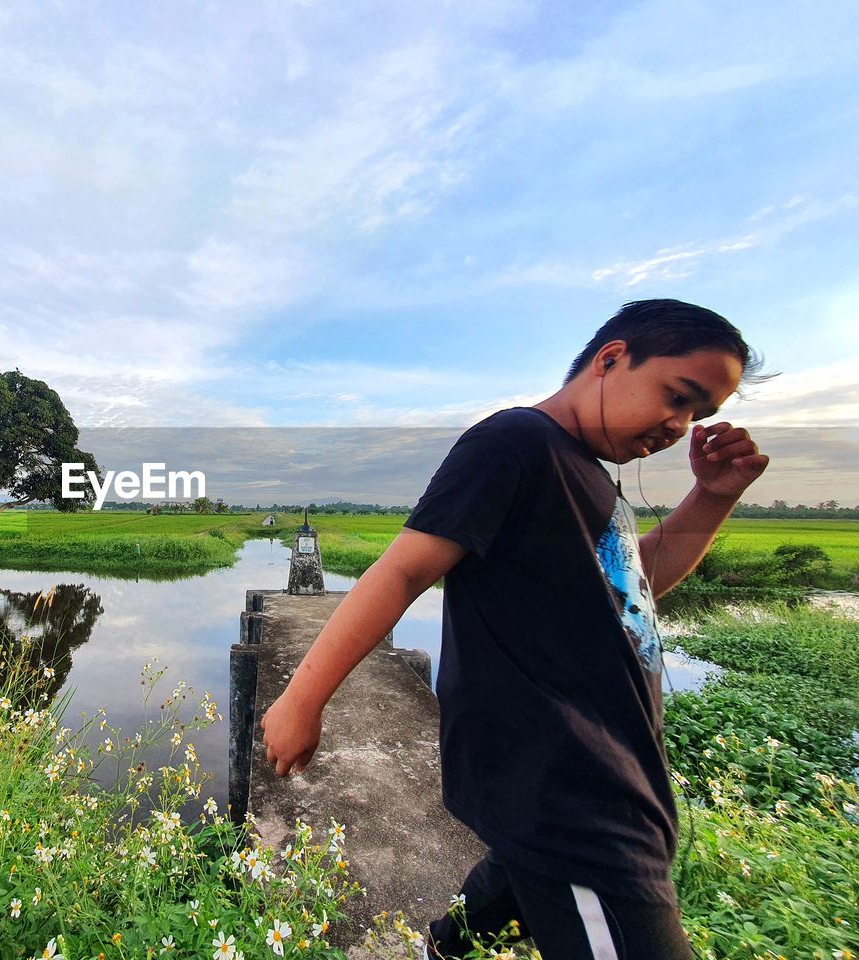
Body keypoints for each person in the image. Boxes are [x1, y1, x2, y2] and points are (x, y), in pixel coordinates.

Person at [259, 300, 770, 960]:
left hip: (600, 771)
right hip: (572, 792)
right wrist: (303, 698)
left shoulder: (589, 476)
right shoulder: (515, 444)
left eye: (699, 412)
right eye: (679, 395)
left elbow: (633, 587)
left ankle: (442, 949)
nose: (680, 425)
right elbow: (403, 572)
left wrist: (715, 494)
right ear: (611, 358)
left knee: (514, 872)